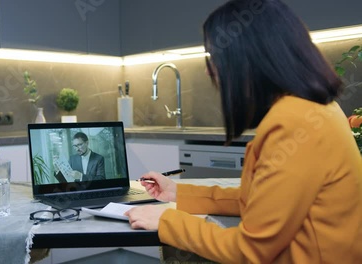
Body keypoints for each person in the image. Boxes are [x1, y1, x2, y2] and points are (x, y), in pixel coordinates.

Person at [125, 0, 362, 263]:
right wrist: (177, 193)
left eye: (214, 57)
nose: (208, 69)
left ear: (246, 57)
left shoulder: (292, 123)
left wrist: (168, 221)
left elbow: (251, 252)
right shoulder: (319, 109)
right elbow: (263, 203)